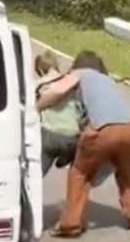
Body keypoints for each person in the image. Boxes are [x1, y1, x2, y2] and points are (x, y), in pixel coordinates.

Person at [36, 50, 130, 237]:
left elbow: (57, 90)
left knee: (79, 172)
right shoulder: (107, 81)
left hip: (103, 129)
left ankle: (70, 225)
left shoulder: (80, 74)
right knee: (126, 171)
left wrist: (36, 107)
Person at [34, 51, 113, 185]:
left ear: (41, 69)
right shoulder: (71, 80)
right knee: (79, 161)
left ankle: (25, 198)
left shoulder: (38, 84)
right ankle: (66, 158)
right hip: (72, 137)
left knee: (35, 174)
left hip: (48, 135)